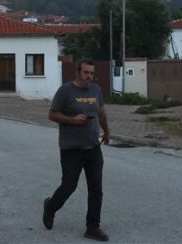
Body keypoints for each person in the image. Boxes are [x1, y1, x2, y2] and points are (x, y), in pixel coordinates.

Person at [43, 58, 110, 242]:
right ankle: (50, 207)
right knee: (69, 186)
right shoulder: (65, 91)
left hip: (93, 147)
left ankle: (92, 227)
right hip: (71, 149)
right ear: (77, 72)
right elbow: (52, 114)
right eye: (86, 72)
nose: (89, 76)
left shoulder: (96, 90)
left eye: (91, 73)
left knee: (96, 188)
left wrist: (107, 131)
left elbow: (101, 112)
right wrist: (73, 120)